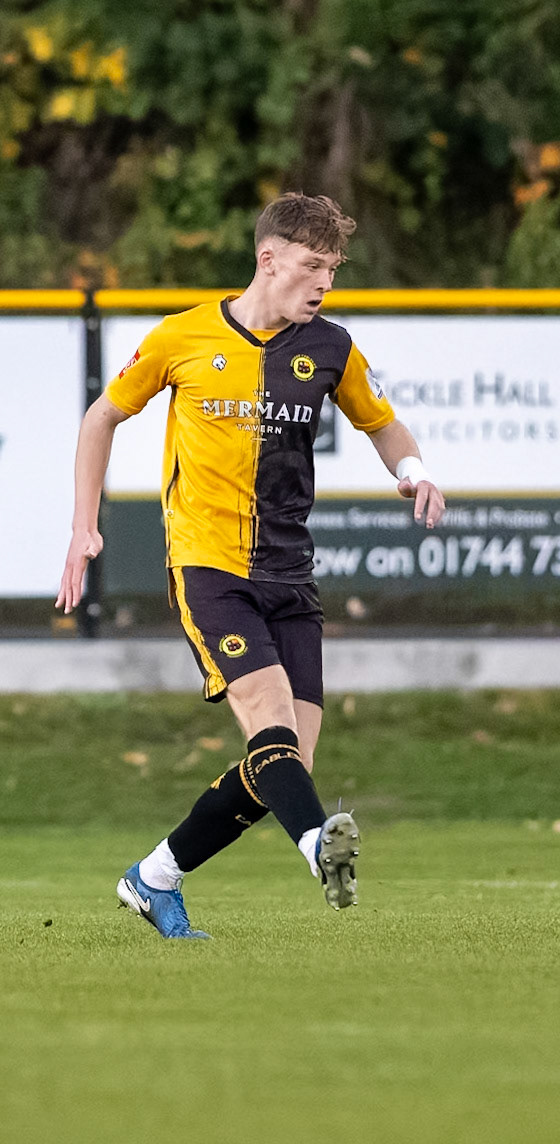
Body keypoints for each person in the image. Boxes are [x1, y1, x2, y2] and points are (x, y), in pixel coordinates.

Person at [56, 191, 446, 940]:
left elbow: (382, 423)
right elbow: (101, 416)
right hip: (208, 567)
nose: (323, 282)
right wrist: (83, 526)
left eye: (331, 268)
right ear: (268, 259)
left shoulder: (329, 346)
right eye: (311, 265)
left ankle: (153, 878)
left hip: (291, 576)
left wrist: (415, 470)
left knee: (280, 766)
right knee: (269, 724)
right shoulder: (184, 337)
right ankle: (316, 848)